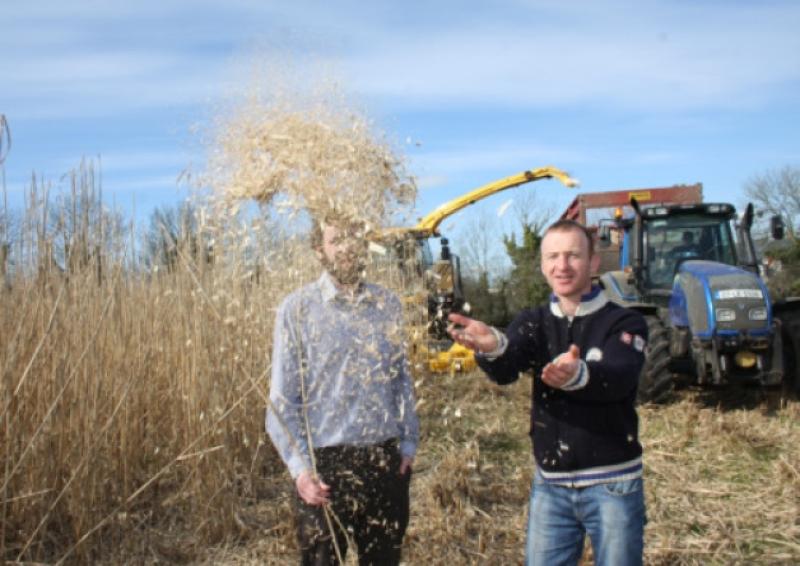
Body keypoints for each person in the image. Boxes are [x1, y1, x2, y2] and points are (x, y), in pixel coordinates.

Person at [448, 219, 648, 566]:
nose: (562, 265)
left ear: (593, 263)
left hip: (613, 484)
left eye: (572, 255)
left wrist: (578, 373)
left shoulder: (624, 322)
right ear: (542, 266)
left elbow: (619, 376)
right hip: (551, 486)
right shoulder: (533, 321)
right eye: (553, 256)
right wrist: (492, 345)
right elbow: (507, 368)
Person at [266, 216, 419, 566]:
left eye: (354, 237)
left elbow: (401, 380)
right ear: (319, 249)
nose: (347, 247)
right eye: (337, 240)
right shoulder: (298, 309)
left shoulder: (388, 304)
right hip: (324, 465)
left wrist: (408, 443)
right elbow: (281, 401)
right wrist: (301, 469)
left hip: (383, 460)